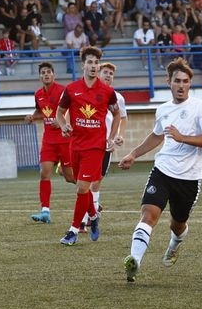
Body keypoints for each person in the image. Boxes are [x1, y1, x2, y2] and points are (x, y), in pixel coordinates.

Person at [119, 57, 202, 282]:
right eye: (177, 81)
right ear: (169, 83)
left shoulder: (200, 108)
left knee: (178, 224)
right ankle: (134, 262)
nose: (181, 85)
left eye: (185, 81)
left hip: (189, 179)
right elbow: (157, 135)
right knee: (148, 215)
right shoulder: (163, 110)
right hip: (162, 171)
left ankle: (174, 244)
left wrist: (183, 138)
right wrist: (134, 154)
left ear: (190, 84)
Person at [54, 46, 121, 246]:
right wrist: (65, 124)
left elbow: (117, 113)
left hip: (95, 147)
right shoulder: (71, 89)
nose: (93, 66)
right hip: (75, 145)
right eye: (90, 62)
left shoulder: (107, 92)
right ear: (83, 65)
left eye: (96, 62)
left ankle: (73, 230)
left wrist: (111, 136)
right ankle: (93, 215)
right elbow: (59, 111)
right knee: (81, 186)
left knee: (82, 187)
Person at [25, 62, 75, 224]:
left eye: (49, 72)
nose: (46, 74)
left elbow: (71, 110)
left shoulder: (62, 91)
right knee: (44, 172)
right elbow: (40, 112)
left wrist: (61, 121)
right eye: (43, 72)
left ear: (54, 75)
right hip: (48, 141)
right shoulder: (38, 94)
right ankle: (45, 211)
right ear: (40, 76)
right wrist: (33, 117)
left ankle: (92, 192)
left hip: (64, 139)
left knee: (69, 177)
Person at [84, 62, 128, 227]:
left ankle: (92, 212)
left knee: (97, 180)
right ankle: (90, 213)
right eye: (105, 72)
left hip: (106, 144)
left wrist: (120, 136)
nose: (108, 75)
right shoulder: (87, 93)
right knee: (85, 180)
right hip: (88, 143)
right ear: (98, 74)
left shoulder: (117, 97)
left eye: (111, 73)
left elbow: (123, 118)